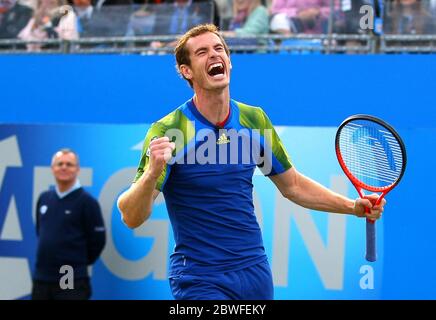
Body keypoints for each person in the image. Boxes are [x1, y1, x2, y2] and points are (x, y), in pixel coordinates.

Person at [117, 24, 385, 300]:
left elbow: (293, 185)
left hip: (254, 271)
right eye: (202, 52)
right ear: (186, 71)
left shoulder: (254, 120)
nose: (214, 55)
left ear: (229, 62)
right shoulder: (168, 131)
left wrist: (353, 207)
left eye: (219, 48)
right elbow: (131, 216)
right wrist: (151, 174)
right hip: (200, 277)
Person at [32, 148, 106, 300]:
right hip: (42, 278)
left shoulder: (87, 202)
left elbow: (97, 241)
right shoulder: (44, 198)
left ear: (77, 169)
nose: (64, 167)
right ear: (52, 169)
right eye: (59, 164)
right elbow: (41, 231)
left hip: (70, 280)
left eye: (69, 164)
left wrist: (75, 263)